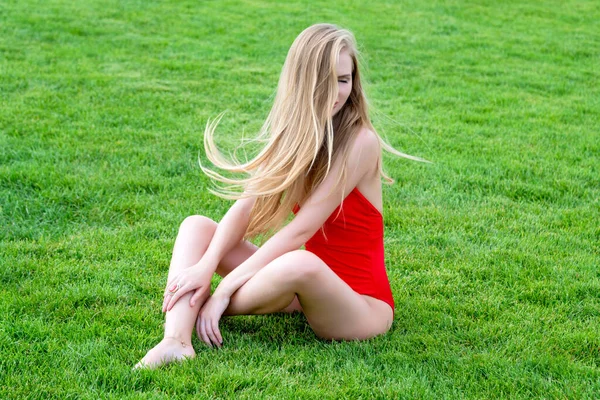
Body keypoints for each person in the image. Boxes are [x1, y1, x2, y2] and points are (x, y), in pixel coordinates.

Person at [135, 23, 421, 369]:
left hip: (362, 307)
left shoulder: (361, 142)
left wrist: (224, 289)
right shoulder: (300, 134)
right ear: (303, 81)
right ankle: (176, 340)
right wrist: (205, 266)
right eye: (326, 80)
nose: (337, 92)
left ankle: (205, 303)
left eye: (344, 80)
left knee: (300, 261)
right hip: (306, 289)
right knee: (197, 227)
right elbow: (246, 208)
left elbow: (300, 231)